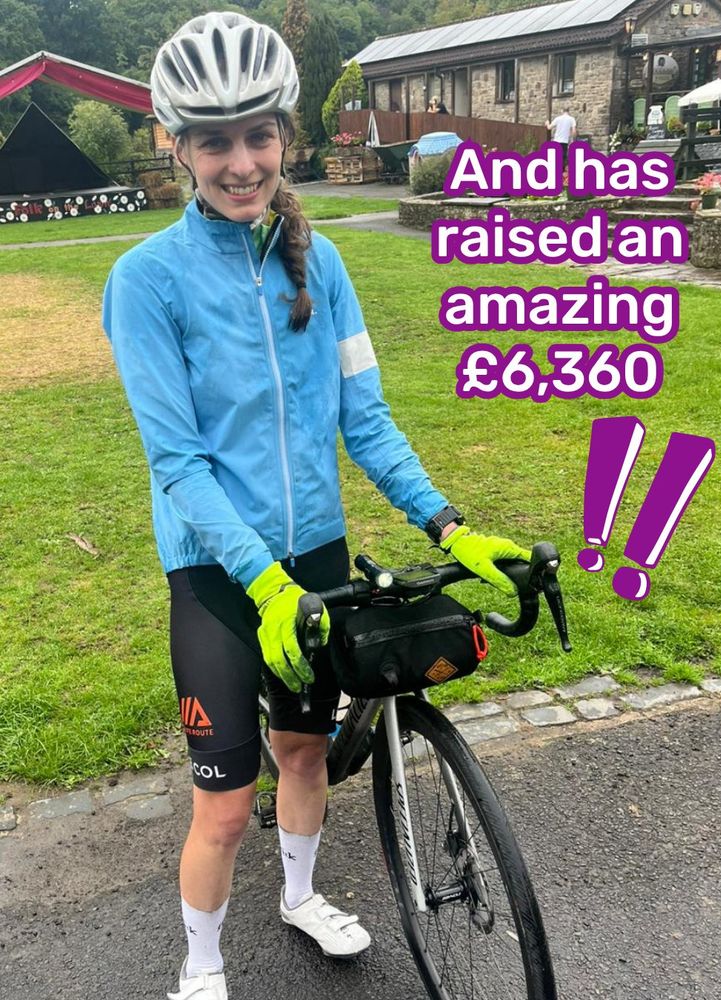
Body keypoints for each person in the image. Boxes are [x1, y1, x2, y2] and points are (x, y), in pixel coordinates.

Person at [103, 12, 531, 1000]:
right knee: (222, 803)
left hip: (317, 556)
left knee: (304, 754)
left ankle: (298, 895)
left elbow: (366, 421)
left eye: (258, 135)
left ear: (284, 138)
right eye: (214, 140)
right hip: (219, 573)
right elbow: (177, 461)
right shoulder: (146, 282)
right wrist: (261, 582)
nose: (241, 161)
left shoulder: (322, 266)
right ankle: (201, 966)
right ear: (177, 145)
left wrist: (447, 523)